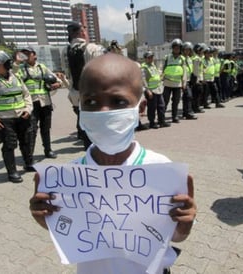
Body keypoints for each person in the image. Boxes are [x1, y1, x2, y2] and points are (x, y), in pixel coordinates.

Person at [29, 54, 196, 273]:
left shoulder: (161, 169)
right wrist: (43, 217)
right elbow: (66, 230)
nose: (103, 111)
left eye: (118, 101)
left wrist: (185, 223)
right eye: (90, 102)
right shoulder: (68, 177)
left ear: (141, 107)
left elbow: (175, 236)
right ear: (80, 108)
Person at [0, 49, 33, 183]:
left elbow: (26, 95)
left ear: (6, 64)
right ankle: (12, 172)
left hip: (22, 115)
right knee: (9, 145)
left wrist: (28, 109)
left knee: (26, 141)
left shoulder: (17, 77)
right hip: (4, 119)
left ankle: (29, 164)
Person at [15, 46, 61, 159]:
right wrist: (16, 62)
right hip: (30, 103)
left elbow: (57, 80)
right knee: (31, 130)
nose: (25, 55)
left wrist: (57, 84)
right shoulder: (20, 68)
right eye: (23, 53)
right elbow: (13, 75)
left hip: (45, 102)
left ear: (34, 55)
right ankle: (29, 155)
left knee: (46, 128)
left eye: (28, 53)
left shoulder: (42, 67)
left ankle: (48, 150)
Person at [65, 21, 105, 149]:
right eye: (85, 29)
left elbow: (67, 74)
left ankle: (89, 152)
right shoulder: (92, 48)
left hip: (76, 95)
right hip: (93, 95)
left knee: (84, 125)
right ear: (82, 32)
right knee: (98, 126)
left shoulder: (65, 51)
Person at [141, 50, 171, 128]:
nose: (151, 59)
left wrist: (161, 77)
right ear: (145, 58)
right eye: (149, 57)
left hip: (158, 89)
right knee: (152, 107)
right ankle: (152, 123)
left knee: (161, 105)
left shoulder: (153, 65)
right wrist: (148, 90)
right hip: (151, 90)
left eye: (152, 57)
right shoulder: (144, 67)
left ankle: (162, 121)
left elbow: (156, 76)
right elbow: (143, 80)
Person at [162, 38, 186, 123]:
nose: (176, 49)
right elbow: (163, 69)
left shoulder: (182, 59)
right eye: (175, 47)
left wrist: (184, 83)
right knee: (165, 100)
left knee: (176, 101)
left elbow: (184, 72)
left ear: (180, 49)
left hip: (177, 84)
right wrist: (161, 78)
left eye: (178, 48)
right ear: (172, 48)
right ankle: (161, 117)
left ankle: (174, 116)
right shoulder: (167, 57)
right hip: (167, 83)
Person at [181, 41, 198, 120]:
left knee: (186, 97)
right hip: (183, 80)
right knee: (189, 96)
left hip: (189, 79)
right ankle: (188, 112)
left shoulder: (189, 58)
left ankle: (186, 112)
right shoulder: (181, 58)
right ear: (183, 50)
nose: (187, 51)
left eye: (189, 50)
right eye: (186, 50)